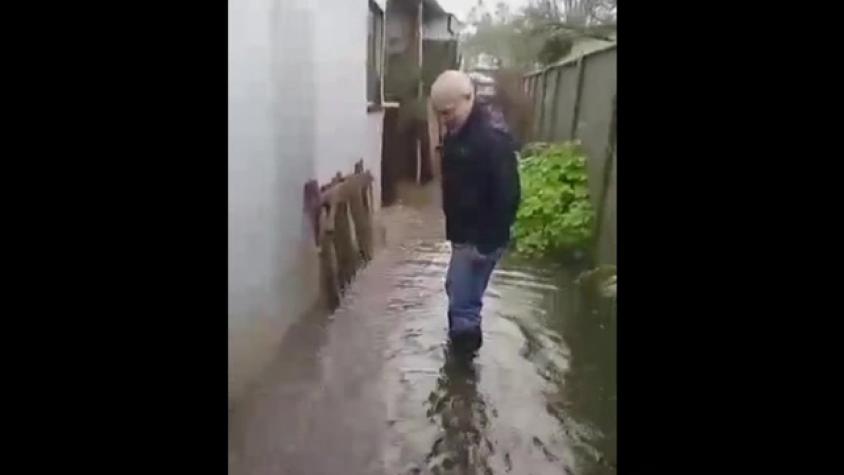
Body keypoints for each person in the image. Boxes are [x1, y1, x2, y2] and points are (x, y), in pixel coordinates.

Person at [430, 70, 521, 354]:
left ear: (468, 98)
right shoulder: (460, 132)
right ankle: (462, 360)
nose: (444, 118)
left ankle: (461, 372)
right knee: (457, 292)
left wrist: (486, 243)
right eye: (440, 113)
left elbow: (508, 194)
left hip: (479, 238)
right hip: (466, 234)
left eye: (448, 111)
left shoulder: (491, 139)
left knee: (463, 308)